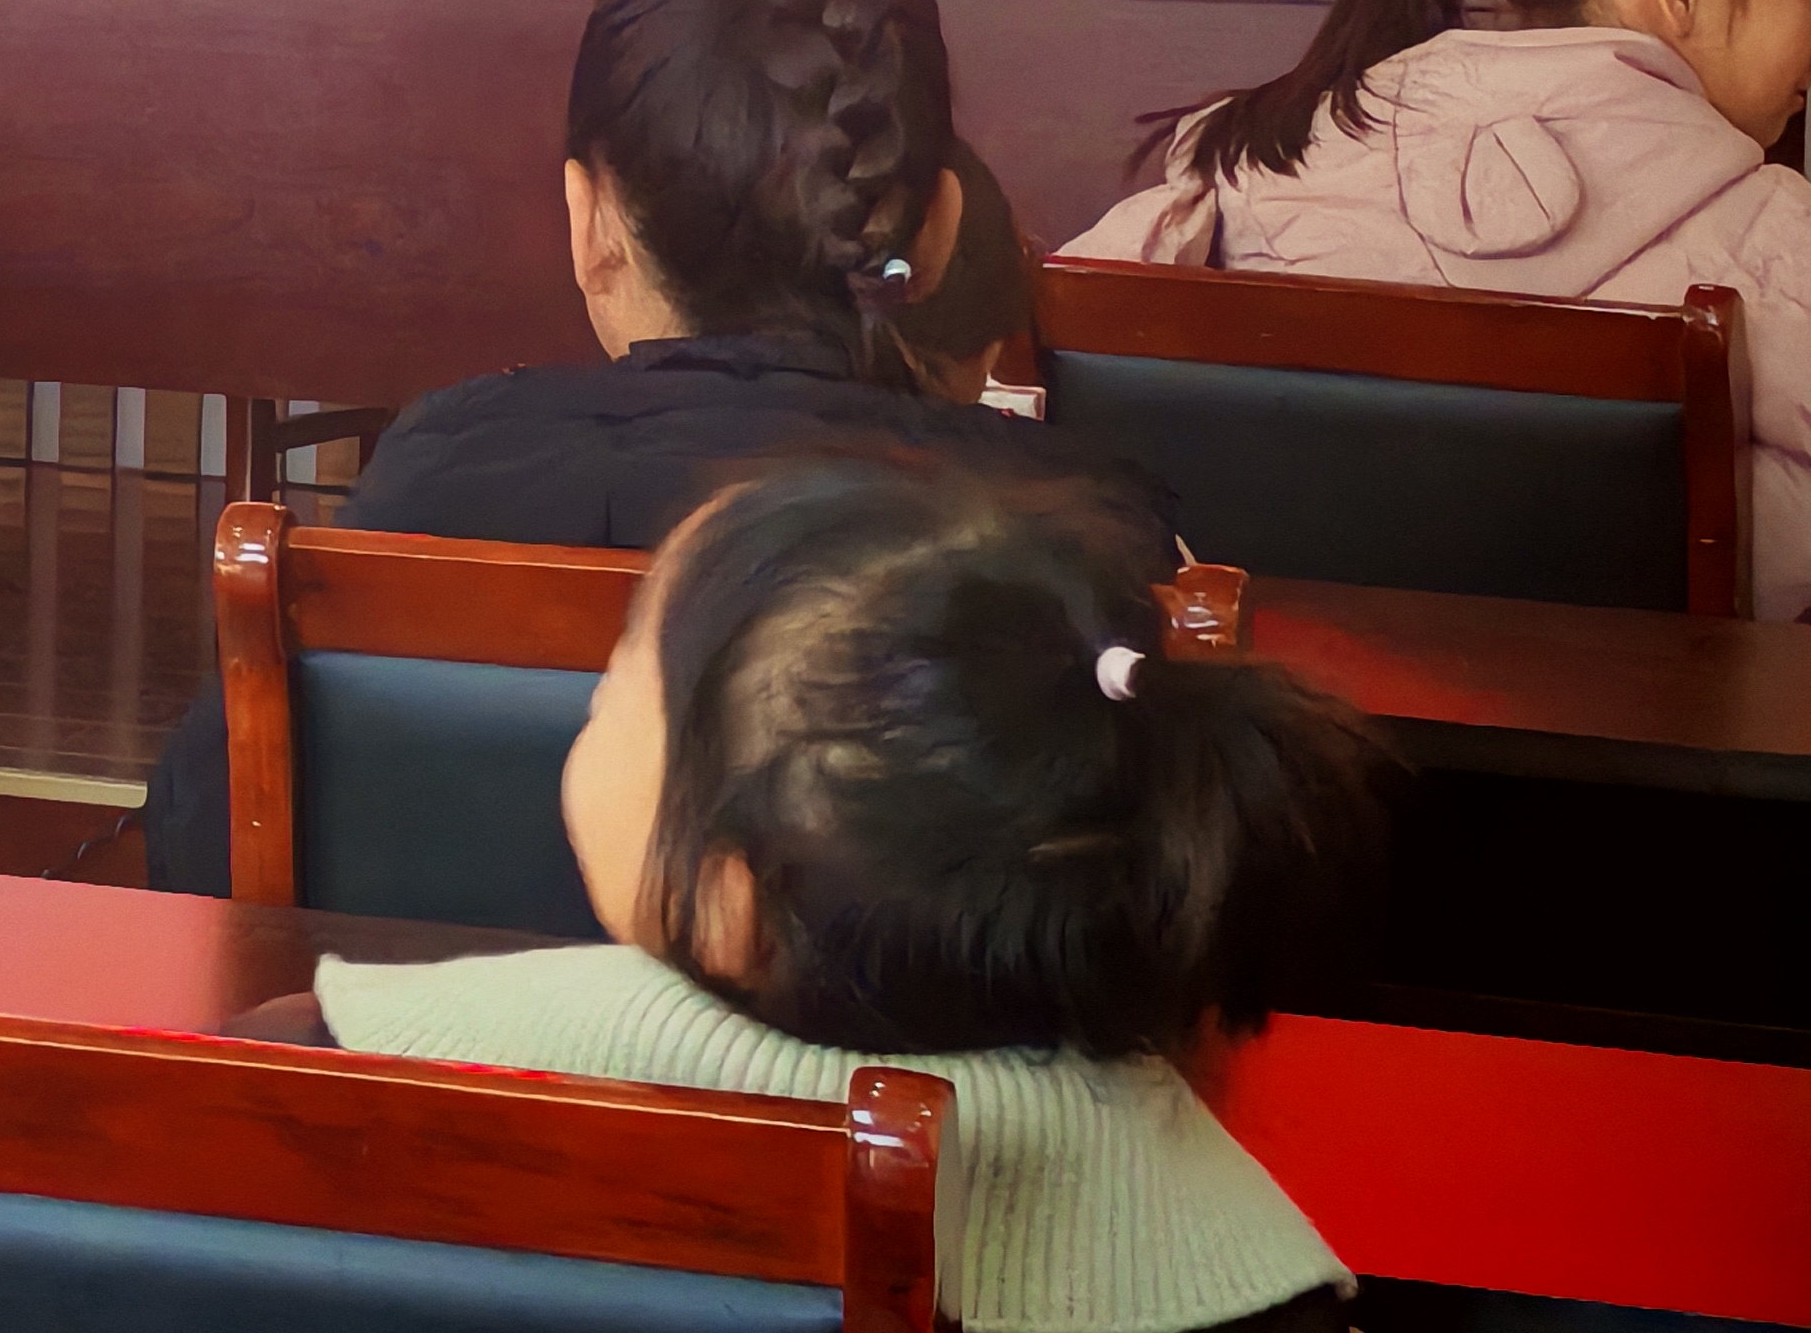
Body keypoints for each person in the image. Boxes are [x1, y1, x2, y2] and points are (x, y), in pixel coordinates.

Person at [140, 0, 1156, 891]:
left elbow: (202, 838)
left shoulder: (444, 467)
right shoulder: (1070, 527)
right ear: (937, 230)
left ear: (589, 225)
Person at [313, 457, 1385, 1333]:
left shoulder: (333, 1071)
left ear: (731, 904)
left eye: (616, 683)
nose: (590, 705)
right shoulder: (1256, 1286)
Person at [1067, 0, 1811, 622]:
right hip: (1618, 711)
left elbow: (1070, 422)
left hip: (1280, 702)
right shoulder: (1771, 244)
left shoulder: (1257, 163)